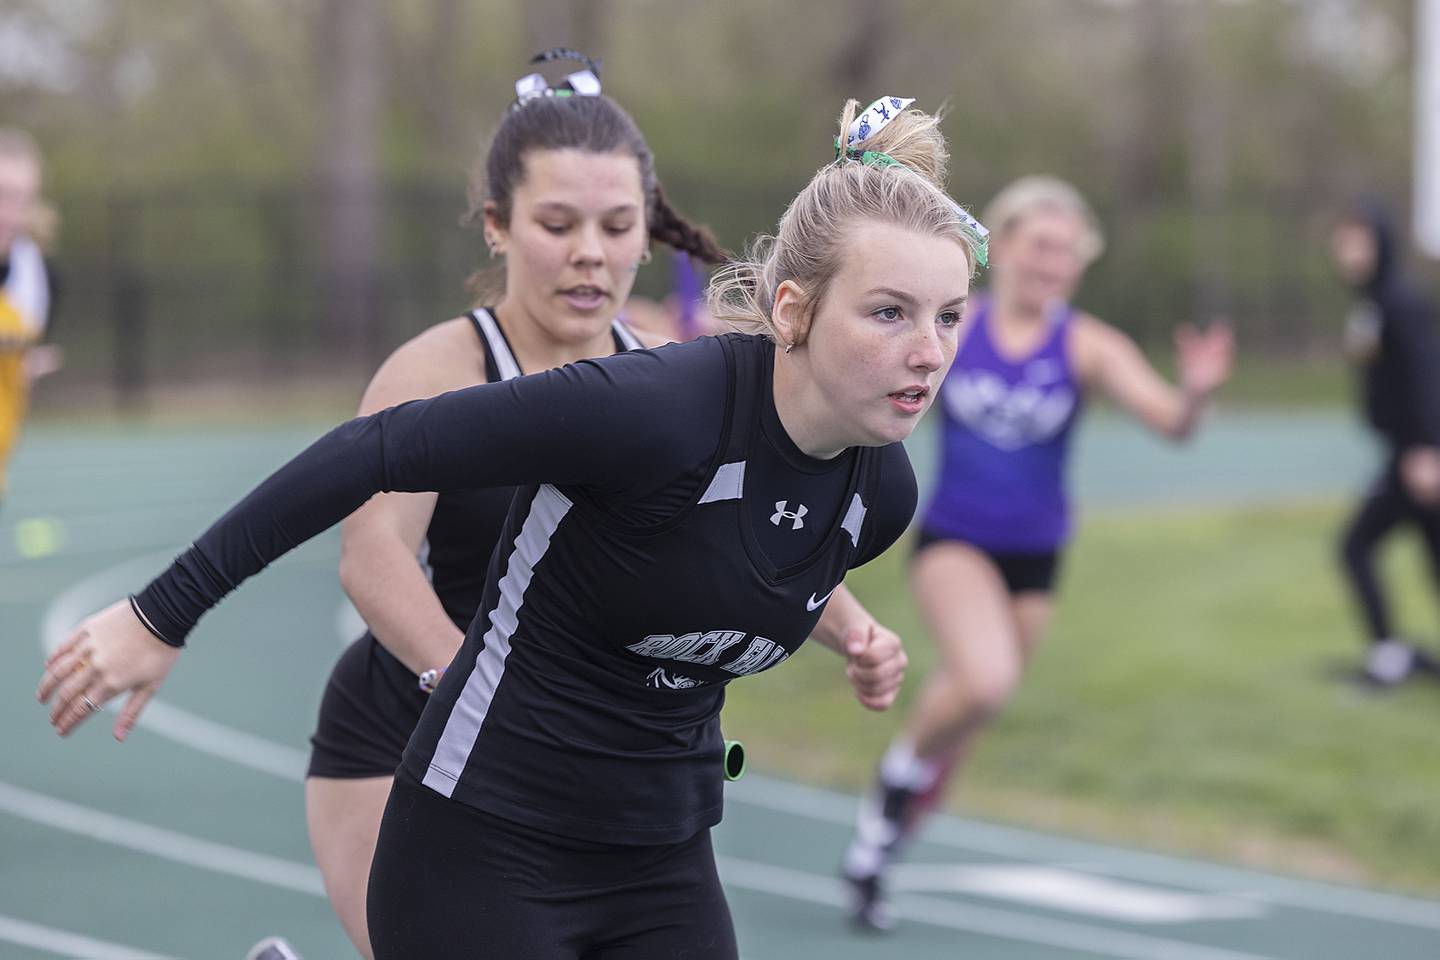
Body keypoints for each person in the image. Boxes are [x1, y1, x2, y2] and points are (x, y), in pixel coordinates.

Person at [38, 95, 984, 960]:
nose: (928, 352)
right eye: (891, 313)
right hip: (488, 830)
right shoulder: (648, 407)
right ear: (794, 310)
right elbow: (370, 455)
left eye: (949, 318)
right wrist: (159, 614)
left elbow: (728, 555)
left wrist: (850, 628)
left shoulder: (880, 496)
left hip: (660, 853)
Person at [302, 52, 730, 958]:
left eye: (618, 226)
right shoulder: (436, 372)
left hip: (584, 761)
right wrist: (472, 688)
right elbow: (371, 556)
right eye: (557, 223)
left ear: (646, 233)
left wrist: (847, 626)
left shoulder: (673, 375)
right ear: (496, 226)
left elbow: (744, 520)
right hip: (410, 731)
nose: (591, 252)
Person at [842, 175, 1235, 931]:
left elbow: (1171, 423)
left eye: (1066, 251)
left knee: (967, 722)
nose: (1051, 262)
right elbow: (883, 386)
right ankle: (893, 781)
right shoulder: (957, 326)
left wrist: (1196, 394)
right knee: (984, 681)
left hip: (1038, 560)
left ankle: (875, 852)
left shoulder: (1087, 344)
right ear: (1004, 247)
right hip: (956, 540)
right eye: (1037, 245)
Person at [1331, 199, 1440, 687]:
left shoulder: (1401, 300)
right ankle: (1393, 656)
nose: (1348, 251)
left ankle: (1388, 659)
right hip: (1406, 451)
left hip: (1418, 456)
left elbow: (1427, 377)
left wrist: (1425, 449)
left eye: (1359, 240)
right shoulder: (1371, 303)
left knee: (1355, 546)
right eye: (1343, 240)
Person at [0, 126, 63, 505]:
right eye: (4, 196)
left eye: (25, 199)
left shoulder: (38, 275)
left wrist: (29, 362)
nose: (13, 213)